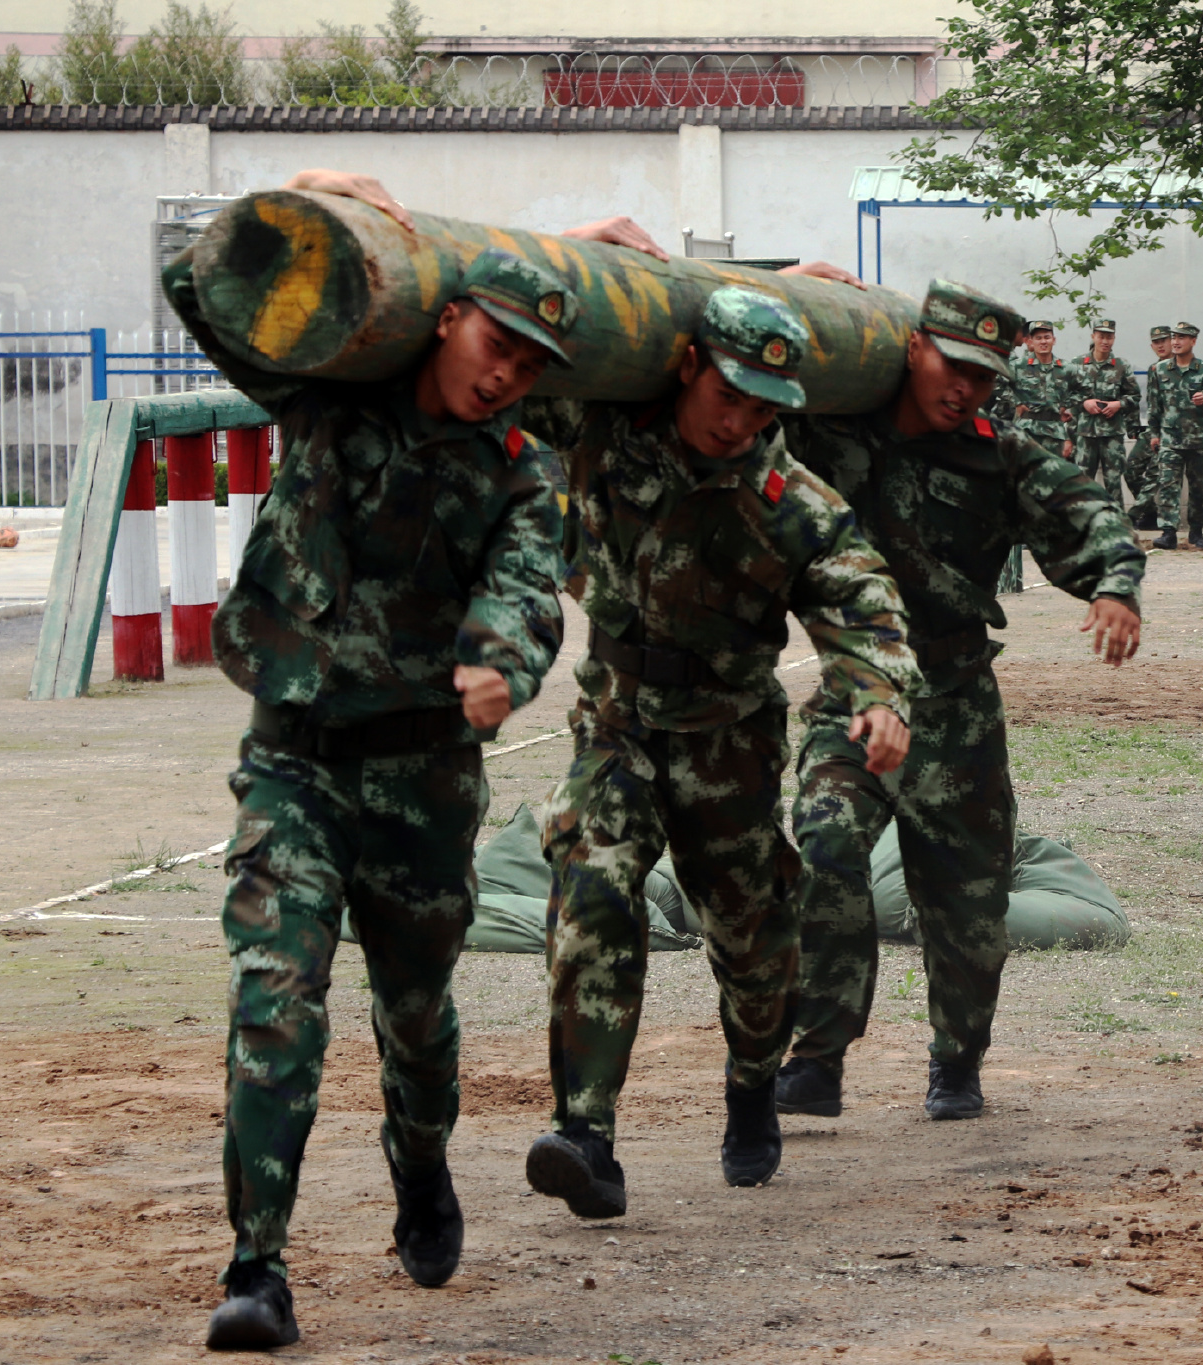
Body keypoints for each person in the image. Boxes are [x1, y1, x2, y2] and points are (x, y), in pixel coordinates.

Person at [166, 167, 572, 1349]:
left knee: (416, 1012)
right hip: (294, 758)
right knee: (275, 998)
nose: (504, 374)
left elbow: (526, 591)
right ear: (447, 320)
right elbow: (202, 292)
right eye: (496, 344)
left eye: (529, 365)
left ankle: (422, 1160)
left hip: (424, 774)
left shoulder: (520, 470)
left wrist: (501, 662)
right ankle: (257, 1267)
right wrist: (289, 197)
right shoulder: (330, 395)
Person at [517, 282, 923, 1214]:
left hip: (727, 739)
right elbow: (518, 357)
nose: (739, 422)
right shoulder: (608, 428)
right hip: (616, 720)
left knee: (752, 939)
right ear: (690, 367)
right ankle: (586, 1133)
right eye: (727, 396)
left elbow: (865, 604)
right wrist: (584, 255)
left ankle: (751, 1083)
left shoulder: (793, 503)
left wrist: (878, 696)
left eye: (762, 408)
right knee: (592, 884)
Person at [773, 280, 1146, 1123]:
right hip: (854, 690)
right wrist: (804, 280)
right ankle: (819, 1055)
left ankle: (956, 1060)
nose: (966, 388)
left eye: (984, 376)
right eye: (954, 366)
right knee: (827, 841)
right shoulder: (832, 432)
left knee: (967, 899)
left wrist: (1114, 585)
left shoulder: (996, 458)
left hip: (956, 701)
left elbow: (1088, 511)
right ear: (913, 349)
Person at [1146, 321, 1203, 551]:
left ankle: (1196, 532)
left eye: (1182, 338)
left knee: (1199, 489)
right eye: (1174, 338)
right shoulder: (1159, 370)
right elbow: (1154, 404)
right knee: (1168, 486)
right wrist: (1154, 434)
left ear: (1193, 341)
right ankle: (1168, 533)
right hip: (1170, 439)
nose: (1176, 342)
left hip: (1199, 439)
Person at [1062, 320, 1142, 504]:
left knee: (1114, 483)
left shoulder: (1121, 366)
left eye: (1109, 337)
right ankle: (1085, 519)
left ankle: (1116, 519)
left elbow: (1135, 396)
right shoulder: (1077, 364)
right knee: (1083, 483)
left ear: (1114, 338)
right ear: (1093, 337)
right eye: (1101, 336)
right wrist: (1084, 403)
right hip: (1085, 434)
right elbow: (1065, 395)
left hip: (1112, 434)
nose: (1105, 341)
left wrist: (1118, 405)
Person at [994, 320, 1074, 454]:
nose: (1043, 342)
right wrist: (1016, 402)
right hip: (1026, 431)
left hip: (1054, 433)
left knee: (1053, 467)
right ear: (1030, 341)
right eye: (1038, 338)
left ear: (1054, 340)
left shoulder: (1065, 368)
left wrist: (1066, 404)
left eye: (1047, 337)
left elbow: (1085, 388)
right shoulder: (1018, 366)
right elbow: (994, 381)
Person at [1126, 325, 1173, 529]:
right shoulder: (1154, 369)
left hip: (1173, 431)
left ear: (1172, 341)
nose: (1160, 345)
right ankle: (1150, 514)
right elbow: (1152, 403)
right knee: (1131, 469)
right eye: (1156, 342)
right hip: (1154, 430)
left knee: (1155, 474)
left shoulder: (1181, 366)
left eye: (1164, 341)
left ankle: (1134, 515)